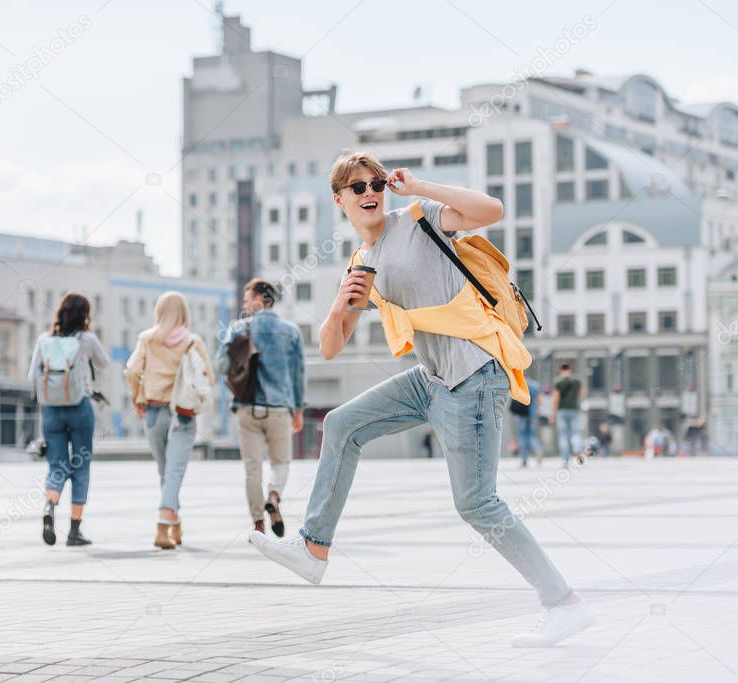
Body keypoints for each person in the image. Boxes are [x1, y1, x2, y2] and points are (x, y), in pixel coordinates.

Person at [247, 152, 594, 648]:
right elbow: (329, 346)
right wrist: (340, 303)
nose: (370, 192)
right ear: (339, 199)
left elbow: (491, 209)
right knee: (343, 424)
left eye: (376, 183)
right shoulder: (360, 261)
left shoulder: (418, 218)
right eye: (358, 186)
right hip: (432, 378)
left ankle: (565, 604)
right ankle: (313, 549)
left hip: (474, 375)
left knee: (477, 504)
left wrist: (421, 187)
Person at [125, 291, 215, 550]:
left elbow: (131, 371)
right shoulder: (192, 341)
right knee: (173, 471)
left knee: (166, 470)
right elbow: (207, 377)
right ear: (184, 313)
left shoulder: (147, 339)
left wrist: (136, 398)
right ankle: (164, 524)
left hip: (153, 412)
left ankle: (174, 523)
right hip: (183, 414)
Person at [216, 278, 306, 536]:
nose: (244, 307)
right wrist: (298, 409)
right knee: (281, 462)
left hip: (247, 407)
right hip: (280, 409)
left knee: (252, 468)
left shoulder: (238, 329)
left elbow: (221, 365)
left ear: (258, 301)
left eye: (246, 301)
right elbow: (298, 374)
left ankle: (258, 525)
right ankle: (274, 496)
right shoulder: (291, 332)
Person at [28, 292, 110, 547]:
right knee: (80, 466)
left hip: (51, 409)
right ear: (85, 315)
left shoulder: (44, 339)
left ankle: (49, 507)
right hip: (80, 407)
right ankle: (74, 531)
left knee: (57, 465)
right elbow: (104, 363)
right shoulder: (86, 339)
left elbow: (33, 374)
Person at [551, 363, 585, 466]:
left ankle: (565, 460)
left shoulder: (558, 382)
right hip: (574, 410)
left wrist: (553, 414)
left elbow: (555, 399)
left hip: (561, 411)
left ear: (561, 370)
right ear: (570, 370)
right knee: (575, 432)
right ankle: (576, 449)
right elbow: (581, 393)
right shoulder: (577, 380)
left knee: (563, 435)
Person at [514, 377, 543, 467]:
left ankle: (524, 460)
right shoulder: (535, 385)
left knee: (522, 436)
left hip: (521, 415)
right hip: (532, 414)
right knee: (531, 435)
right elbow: (539, 401)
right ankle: (537, 449)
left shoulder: (518, 384)